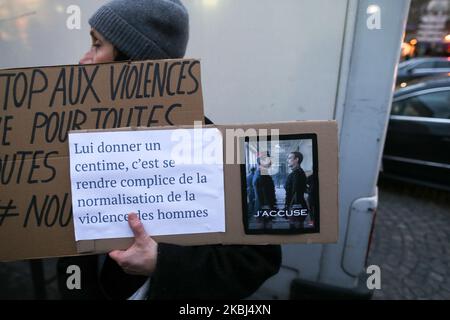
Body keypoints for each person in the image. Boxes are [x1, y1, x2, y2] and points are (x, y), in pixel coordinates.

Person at [61, 0, 281, 300]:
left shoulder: (211, 145)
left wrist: (161, 263)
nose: (85, 60)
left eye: (97, 45)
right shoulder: (80, 135)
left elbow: (257, 259)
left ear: (134, 62)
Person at [253, 152, 277, 229]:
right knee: (265, 232)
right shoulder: (262, 176)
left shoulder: (262, 174)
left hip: (263, 209)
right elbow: (263, 196)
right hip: (264, 210)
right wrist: (269, 210)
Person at [284, 152, 308, 229]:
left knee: (295, 229)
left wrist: (290, 208)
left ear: (296, 160)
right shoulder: (298, 172)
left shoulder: (297, 174)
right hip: (297, 206)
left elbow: (295, 193)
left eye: (290, 158)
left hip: (295, 207)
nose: (288, 160)